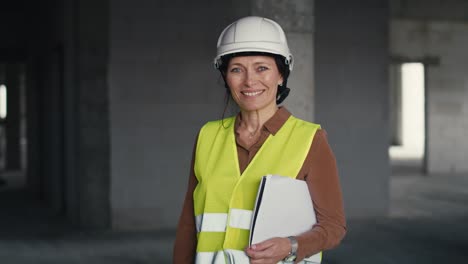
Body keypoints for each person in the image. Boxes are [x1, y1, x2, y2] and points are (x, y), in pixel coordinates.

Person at [173, 16, 346, 264]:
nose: (249, 81)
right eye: (236, 69)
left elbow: (334, 226)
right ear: (226, 78)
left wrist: (292, 246)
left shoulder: (310, 139)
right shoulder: (207, 136)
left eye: (261, 68)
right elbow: (188, 224)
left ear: (281, 75)